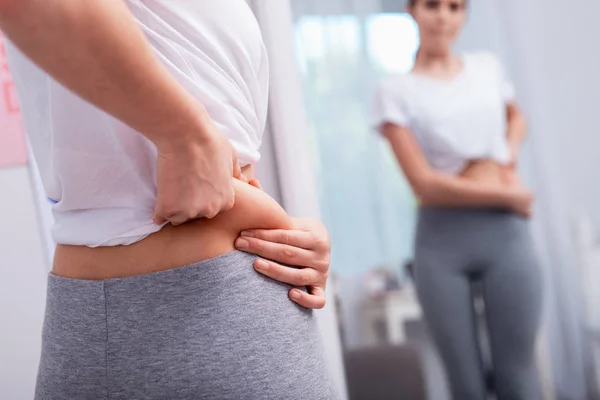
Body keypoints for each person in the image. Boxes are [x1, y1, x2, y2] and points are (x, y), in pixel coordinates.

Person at [0, 0, 338, 399]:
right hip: (210, 311)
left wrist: (290, 236)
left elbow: (223, 155)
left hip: (198, 306)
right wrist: (184, 136)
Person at [372, 1, 543, 399]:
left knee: (518, 378)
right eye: (432, 5)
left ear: (465, 14)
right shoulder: (394, 92)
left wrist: (507, 155)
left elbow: (517, 118)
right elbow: (425, 185)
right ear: (412, 11)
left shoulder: (487, 67)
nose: (444, 17)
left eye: (455, 6)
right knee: (466, 384)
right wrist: (508, 194)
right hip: (442, 244)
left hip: (506, 237)